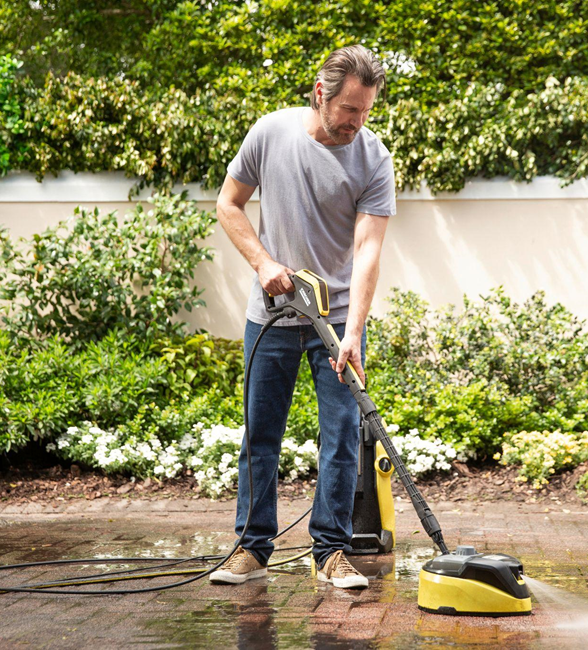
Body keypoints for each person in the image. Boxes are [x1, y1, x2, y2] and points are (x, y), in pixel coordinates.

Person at [210, 45, 395, 590]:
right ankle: (251, 548)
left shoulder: (373, 158)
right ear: (321, 95)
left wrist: (353, 332)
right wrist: (263, 262)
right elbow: (228, 203)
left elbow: (367, 250)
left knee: (340, 435)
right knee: (260, 435)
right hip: (269, 316)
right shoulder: (270, 134)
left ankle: (331, 552)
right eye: (350, 111)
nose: (358, 123)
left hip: (334, 320)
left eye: (366, 112)